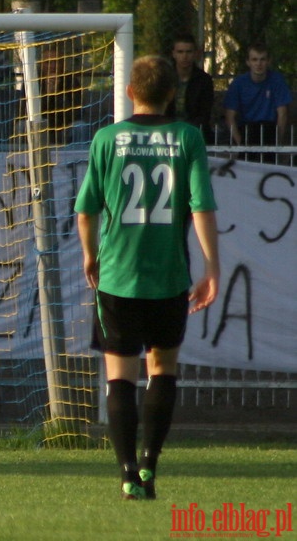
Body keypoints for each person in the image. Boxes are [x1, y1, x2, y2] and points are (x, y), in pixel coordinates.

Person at [74, 55, 220, 500]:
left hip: (117, 277)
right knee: (163, 369)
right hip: (168, 277)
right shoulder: (187, 138)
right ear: (171, 93)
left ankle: (125, 473)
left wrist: (90, 256)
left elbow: (86, 210)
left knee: (119, 376)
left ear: (129, 92)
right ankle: (149, 470)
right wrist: (212, 266)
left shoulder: (107, 139)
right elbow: (201, 207)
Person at [223, 42, 292, 164]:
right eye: (254, 59)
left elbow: (282, 113)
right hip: (247, 129)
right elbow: (229, 116)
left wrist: (277, 141)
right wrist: (240, 143)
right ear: (248, 62)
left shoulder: (277, 80)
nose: (258, 64)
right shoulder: (238, 83)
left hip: (269, 129)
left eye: (262, 59)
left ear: (268, 61)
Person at [164, 33, 214, 143]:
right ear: (173, 54)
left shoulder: (204, 80)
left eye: (188, 52)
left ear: (195, 54)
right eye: (180, 52)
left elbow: (204, 114)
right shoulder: (165, 78)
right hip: (167, 131)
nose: (184, 56)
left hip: (195, 132)